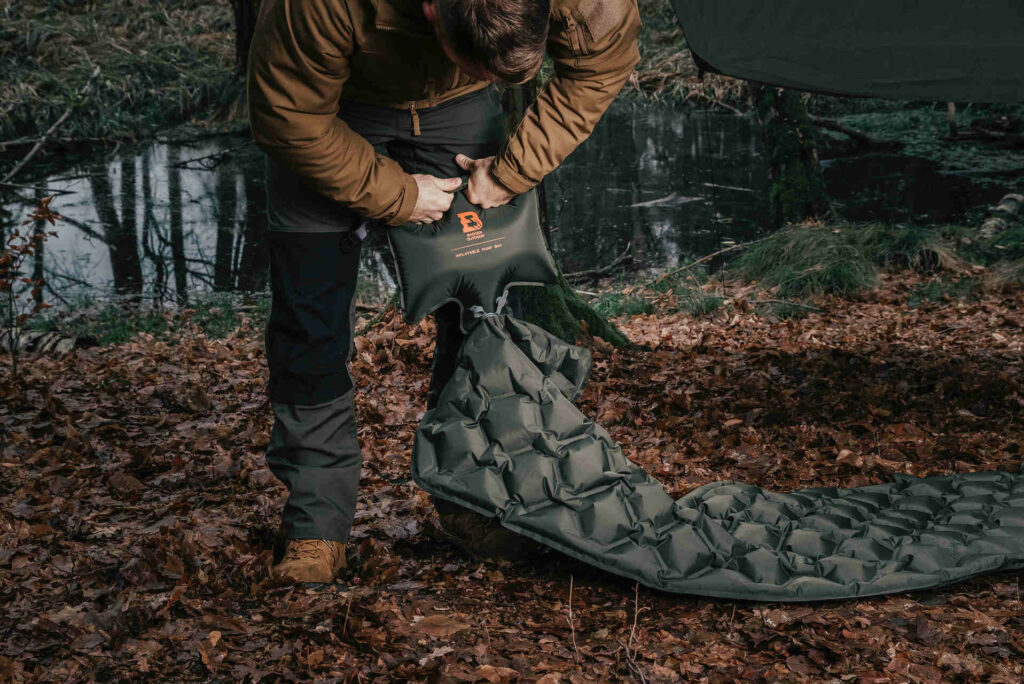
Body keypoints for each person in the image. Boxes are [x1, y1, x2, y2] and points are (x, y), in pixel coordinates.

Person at [247, 0, 641, 583]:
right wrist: (398, 193)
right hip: (329, 110)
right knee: (309, 319)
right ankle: (315, 526)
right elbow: (287, 113)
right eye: (480, 66)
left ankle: (473, 500)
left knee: (483, 320)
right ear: (432, 11)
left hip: (456, 113)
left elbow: (601, 64)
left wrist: (511, 171)